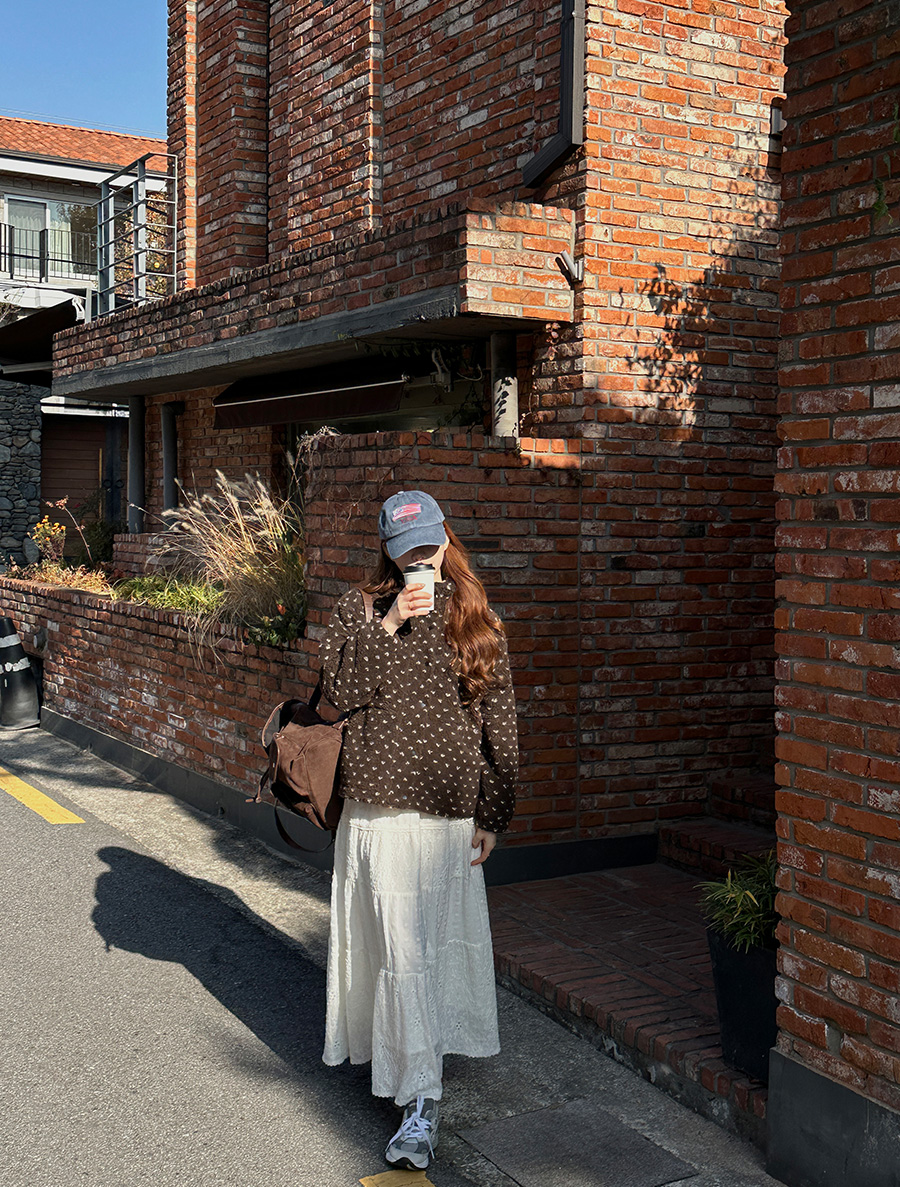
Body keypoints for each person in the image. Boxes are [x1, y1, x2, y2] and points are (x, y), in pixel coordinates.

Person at [318, 489, 519, 1171]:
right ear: (388, 551)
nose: (421, 565)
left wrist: (493, 813)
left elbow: (499, 719)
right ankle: (416, 1091)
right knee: (397, 951)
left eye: (429, 550)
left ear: (445, 538)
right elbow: (339, 692)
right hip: (376, 811)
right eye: (408, 555)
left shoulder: (476, 616)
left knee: (419, 953)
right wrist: (390, 622)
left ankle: (420, 1095)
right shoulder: (359, 610)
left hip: (445, 816)